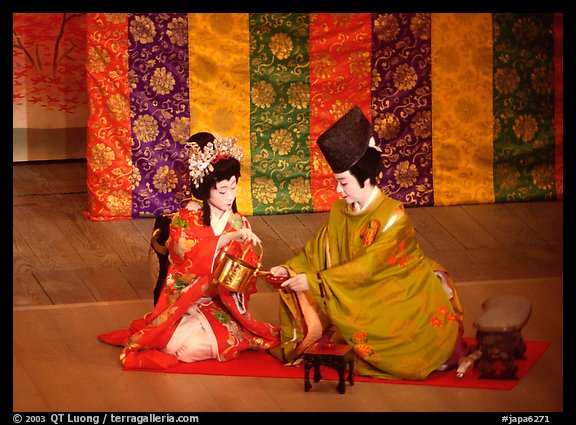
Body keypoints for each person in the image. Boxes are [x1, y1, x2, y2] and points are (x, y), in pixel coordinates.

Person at [269, 106, 466, 380]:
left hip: (399, 293)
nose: (338, 190)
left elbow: (368, 268)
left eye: (343, 183)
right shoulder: (341, 211)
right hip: (358, 291)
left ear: (365, 177)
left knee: (402, 345)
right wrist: (289, 269)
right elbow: (319, 250)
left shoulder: (393, 217)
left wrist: (314, 282)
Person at [98, 132, 280, 369]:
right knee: (187, 345)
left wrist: (251, 262)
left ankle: (180, 341)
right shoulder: (185, 220)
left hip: (220, 304)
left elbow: (241, 275)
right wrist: (227, 239)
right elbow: (188, 259)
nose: (229, 196)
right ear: (205, 191)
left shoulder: (239, 223)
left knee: (194, 347)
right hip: (185, 302)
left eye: (233, 188)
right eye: (222, 190)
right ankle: (171, 339)